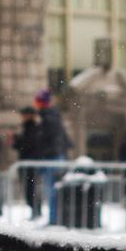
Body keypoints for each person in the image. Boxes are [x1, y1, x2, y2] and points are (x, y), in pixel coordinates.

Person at [33, 88, 70, 224]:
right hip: (54, 157)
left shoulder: (49, 117)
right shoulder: (52, 116)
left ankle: (54, 220)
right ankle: (54, 219)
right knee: (53, 191)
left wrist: (44, 153)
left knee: (52, 191)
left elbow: (52, 140)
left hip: (52, 158)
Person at [12, 106, 42, 218]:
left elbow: (28, 145)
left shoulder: (33, 128)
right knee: (29, 189)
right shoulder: (27, 127)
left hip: (30, 163)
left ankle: (36, 211)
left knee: (31, 189)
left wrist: (18, 140)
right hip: (27, 162)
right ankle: (35, 210)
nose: (22, 117)